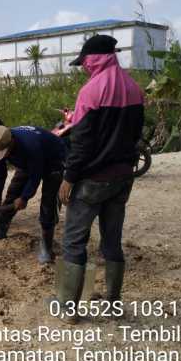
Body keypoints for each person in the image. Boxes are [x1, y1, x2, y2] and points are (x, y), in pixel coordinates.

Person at [52, 34, 144, 320]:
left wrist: (68, 178)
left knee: (74, 242)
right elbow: (136, 135)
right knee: (112, 241)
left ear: (94, 60)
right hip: (122, 177)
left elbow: (82, 142)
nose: (82, 67)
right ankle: (113, 303)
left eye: (84, 62)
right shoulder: (134, 89)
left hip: (92, 179)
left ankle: (69, 308)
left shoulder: (90, 91)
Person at [0, 125, 66, 266]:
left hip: (53, 160)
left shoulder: (31, 146)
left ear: (11, 144)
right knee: (13, 193)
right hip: (27, 160)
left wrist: (25, 197)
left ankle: (46, 247)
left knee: (47, 203)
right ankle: (0, 230)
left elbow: (35, 176)